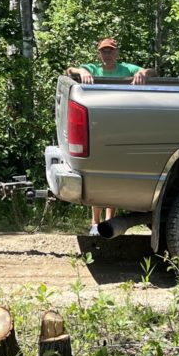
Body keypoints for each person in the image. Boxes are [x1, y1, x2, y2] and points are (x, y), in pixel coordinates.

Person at [65, 37, 153, 234]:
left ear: (117, 53)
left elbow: (153, 72)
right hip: (97, 128)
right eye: (104, 51)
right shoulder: (92, 69)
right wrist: (82, 71)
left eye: (110, 51)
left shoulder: (126, 69)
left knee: (113, 175)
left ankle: (108, 222)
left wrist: (142, 73)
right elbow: (69, 71)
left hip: (121, 126)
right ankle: (94, 223)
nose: (107, 54)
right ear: (99, 53)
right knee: (97, 175)